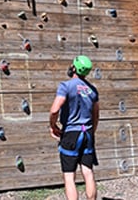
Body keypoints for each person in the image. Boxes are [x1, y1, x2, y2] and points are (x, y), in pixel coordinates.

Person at [49, 55, 100, 200]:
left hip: (71, 133)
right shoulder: (93, 90)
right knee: (88, 172)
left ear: (74, 68)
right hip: (88, 133)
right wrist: (92, 131)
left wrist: (53, 125)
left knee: (69, 176)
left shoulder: (65, 86)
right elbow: (96, 115)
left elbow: (54, 110)